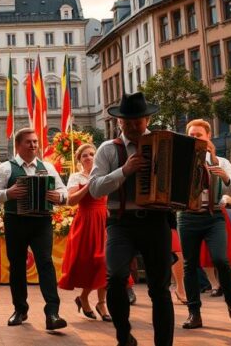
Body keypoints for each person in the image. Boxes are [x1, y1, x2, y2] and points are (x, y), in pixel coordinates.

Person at [88, 92, 174, 346]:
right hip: (120, 221)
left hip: (157, 221)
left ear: (147, 119)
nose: (134, 126)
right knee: (115, 278)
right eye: (129, 122)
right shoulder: (108, 149)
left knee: (160, 289)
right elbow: (94, 188)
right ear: (119, 123)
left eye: (139, 121)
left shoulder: (165, 145)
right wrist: (123, 171)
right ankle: (124, 336)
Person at [0, 127, 68, 332]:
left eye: (35, 142)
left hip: (42, 222)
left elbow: (63, 191)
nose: (33, 145)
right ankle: (20, 309)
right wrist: (9, 193)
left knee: (45, 263)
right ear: (18, 145)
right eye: (28, 142)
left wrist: (60, 197)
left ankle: (52, 313)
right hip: (15, 221)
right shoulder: (6, 168)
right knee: (17, 266)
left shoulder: (47, 167)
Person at [177, 119, 231, 330]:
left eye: (199, 135)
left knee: (220, 259)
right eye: (191, 135)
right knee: (190, 265)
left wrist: (225, 176)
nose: (195, 138)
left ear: (209, 136)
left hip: (214, 215)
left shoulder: (222, 161)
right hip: (187, 216)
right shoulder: (180, 160)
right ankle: (194, 313)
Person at [58, 143, 110, 322]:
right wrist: (89, 185)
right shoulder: (75, 177)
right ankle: (85, 297)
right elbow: (71, 201)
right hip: (86, 222)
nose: (88, 157)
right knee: (90, 263)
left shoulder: (105, 174)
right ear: (79, 160)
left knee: (105, 262)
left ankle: (101, 302)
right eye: (84, 156)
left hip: (103, 221)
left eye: (91, 154)